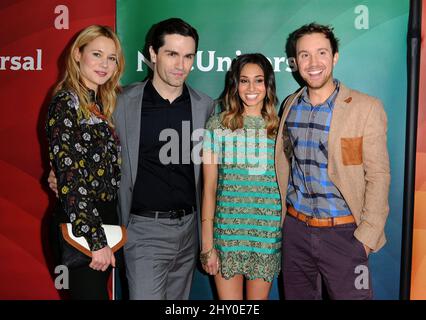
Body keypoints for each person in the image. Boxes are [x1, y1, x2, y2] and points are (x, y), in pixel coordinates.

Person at [275, 23, 391, 299]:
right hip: (296, 232)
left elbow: (379, 176)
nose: (313, 63)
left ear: (335, 56)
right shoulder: (290, 106)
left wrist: (365, 238)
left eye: (321, 53)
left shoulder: (366, 107)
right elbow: (286, 166)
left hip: (345, 235)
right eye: (305, 55)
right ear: (296, 60)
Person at [112, 18, 215, 300]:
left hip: (189, 230)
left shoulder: (206, 107)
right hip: (143, 231)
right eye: (172, 54)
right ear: (153, 54)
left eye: (188, 56)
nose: (181, 65)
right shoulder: (121, 104)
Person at [45, 25, 125, 299]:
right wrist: (96, 240)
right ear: (78, 55)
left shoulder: (101, 104)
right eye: (97, 54)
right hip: (79, 225)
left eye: (112, 58)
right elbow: (70, 178)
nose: (105, 64)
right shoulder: (65, 103)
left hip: (104, 221)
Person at [201, 53, 282, 300]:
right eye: (244, 80)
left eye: (258, 80)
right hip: (226, 236)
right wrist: (207, 245)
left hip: (265, 236)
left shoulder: (280, 128)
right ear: (235, 85)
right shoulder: (217, 125)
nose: (251, 88)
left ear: (268, 86)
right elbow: (209, 188)